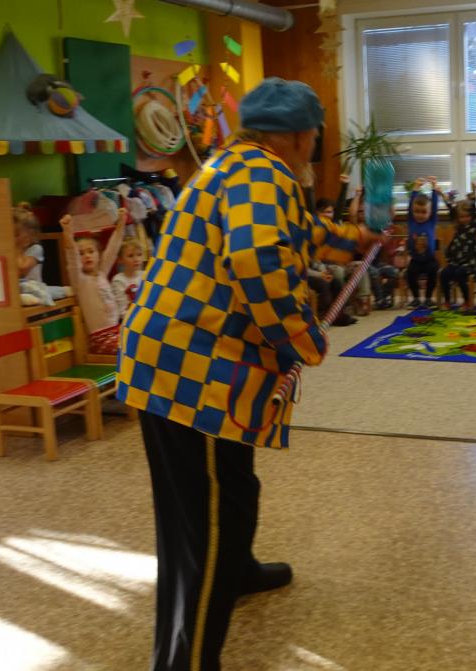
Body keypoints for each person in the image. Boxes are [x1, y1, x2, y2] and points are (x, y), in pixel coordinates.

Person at [115, 77, 376, 671]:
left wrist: (357, 239)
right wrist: (304, 338)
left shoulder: (231, 166)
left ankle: (236, 571)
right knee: (202, 525)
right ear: (298, 135)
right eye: (314, 135)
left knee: (231, 486)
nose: (314, 145)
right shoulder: (265, 175)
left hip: (175, 358)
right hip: (195, 371)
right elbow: (259, 260)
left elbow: (299, 233)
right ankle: (184, 660)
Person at [61, 207, 128, 354]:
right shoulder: (80, 280)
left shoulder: (102, 273)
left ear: (99, 254)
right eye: (81, 253)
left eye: (91, 251)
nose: (87, 256)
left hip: (117, 331)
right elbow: (72, 258)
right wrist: (67, 232)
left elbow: (113, 248)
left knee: (141, 341)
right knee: (130, 348)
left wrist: (121, 223)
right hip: (100, 339)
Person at [405, 180, 442, 308]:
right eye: (417, 211)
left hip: (430, 260)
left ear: (430, 213)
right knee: (410, 274)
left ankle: (428, 298)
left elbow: (435, 206)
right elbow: (410, 206)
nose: (419, 215)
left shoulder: (431, 222)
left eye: (423, 212)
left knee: (433, 272)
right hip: (415, 260)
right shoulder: (411, 221)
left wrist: (434, 189)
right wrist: (415, 189)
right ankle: (416, 298)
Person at [440, 199, 476, 309]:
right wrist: (444, 197)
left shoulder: (474, 226)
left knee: (459, 274)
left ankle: (467, 301)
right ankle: (447, 301)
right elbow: (452, 211)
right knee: (444, 273)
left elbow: (474, 211)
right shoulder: (458, 226)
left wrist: (474, 196)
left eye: (467, 216)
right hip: (456, 261)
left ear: (471, 216)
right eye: (461, 217)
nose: (464, 219)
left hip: (470, 263)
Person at [111, 239, 146, 306]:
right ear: (120, 260)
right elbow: (122, 308)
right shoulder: (118, 281)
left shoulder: (146, 275)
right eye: (130, 256)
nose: (136, 259)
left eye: (139, 255)